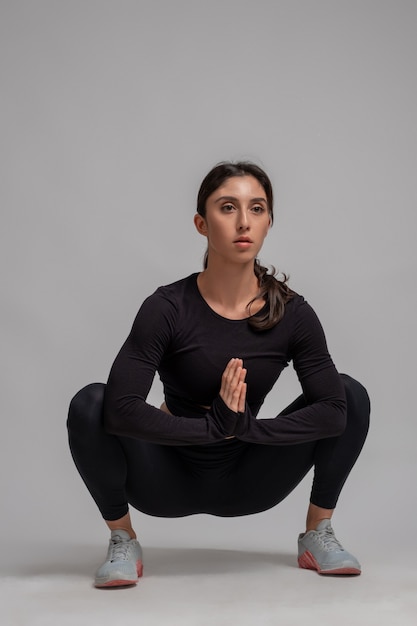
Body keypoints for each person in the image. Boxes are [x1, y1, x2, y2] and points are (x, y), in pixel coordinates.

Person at [67, 161, 370, 588]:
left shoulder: (293, 313)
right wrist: (213, 428)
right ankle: (123, 538)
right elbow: (119, 410)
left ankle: (317, 532)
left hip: (250, 479)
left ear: (268, 222)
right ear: (201, 223)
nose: (244, 221)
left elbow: (336, 413)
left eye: (257, 208)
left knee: (350, 392)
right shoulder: (167, 307)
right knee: (90, 401)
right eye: (228, 207)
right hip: (165, 478)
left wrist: (245, 430)